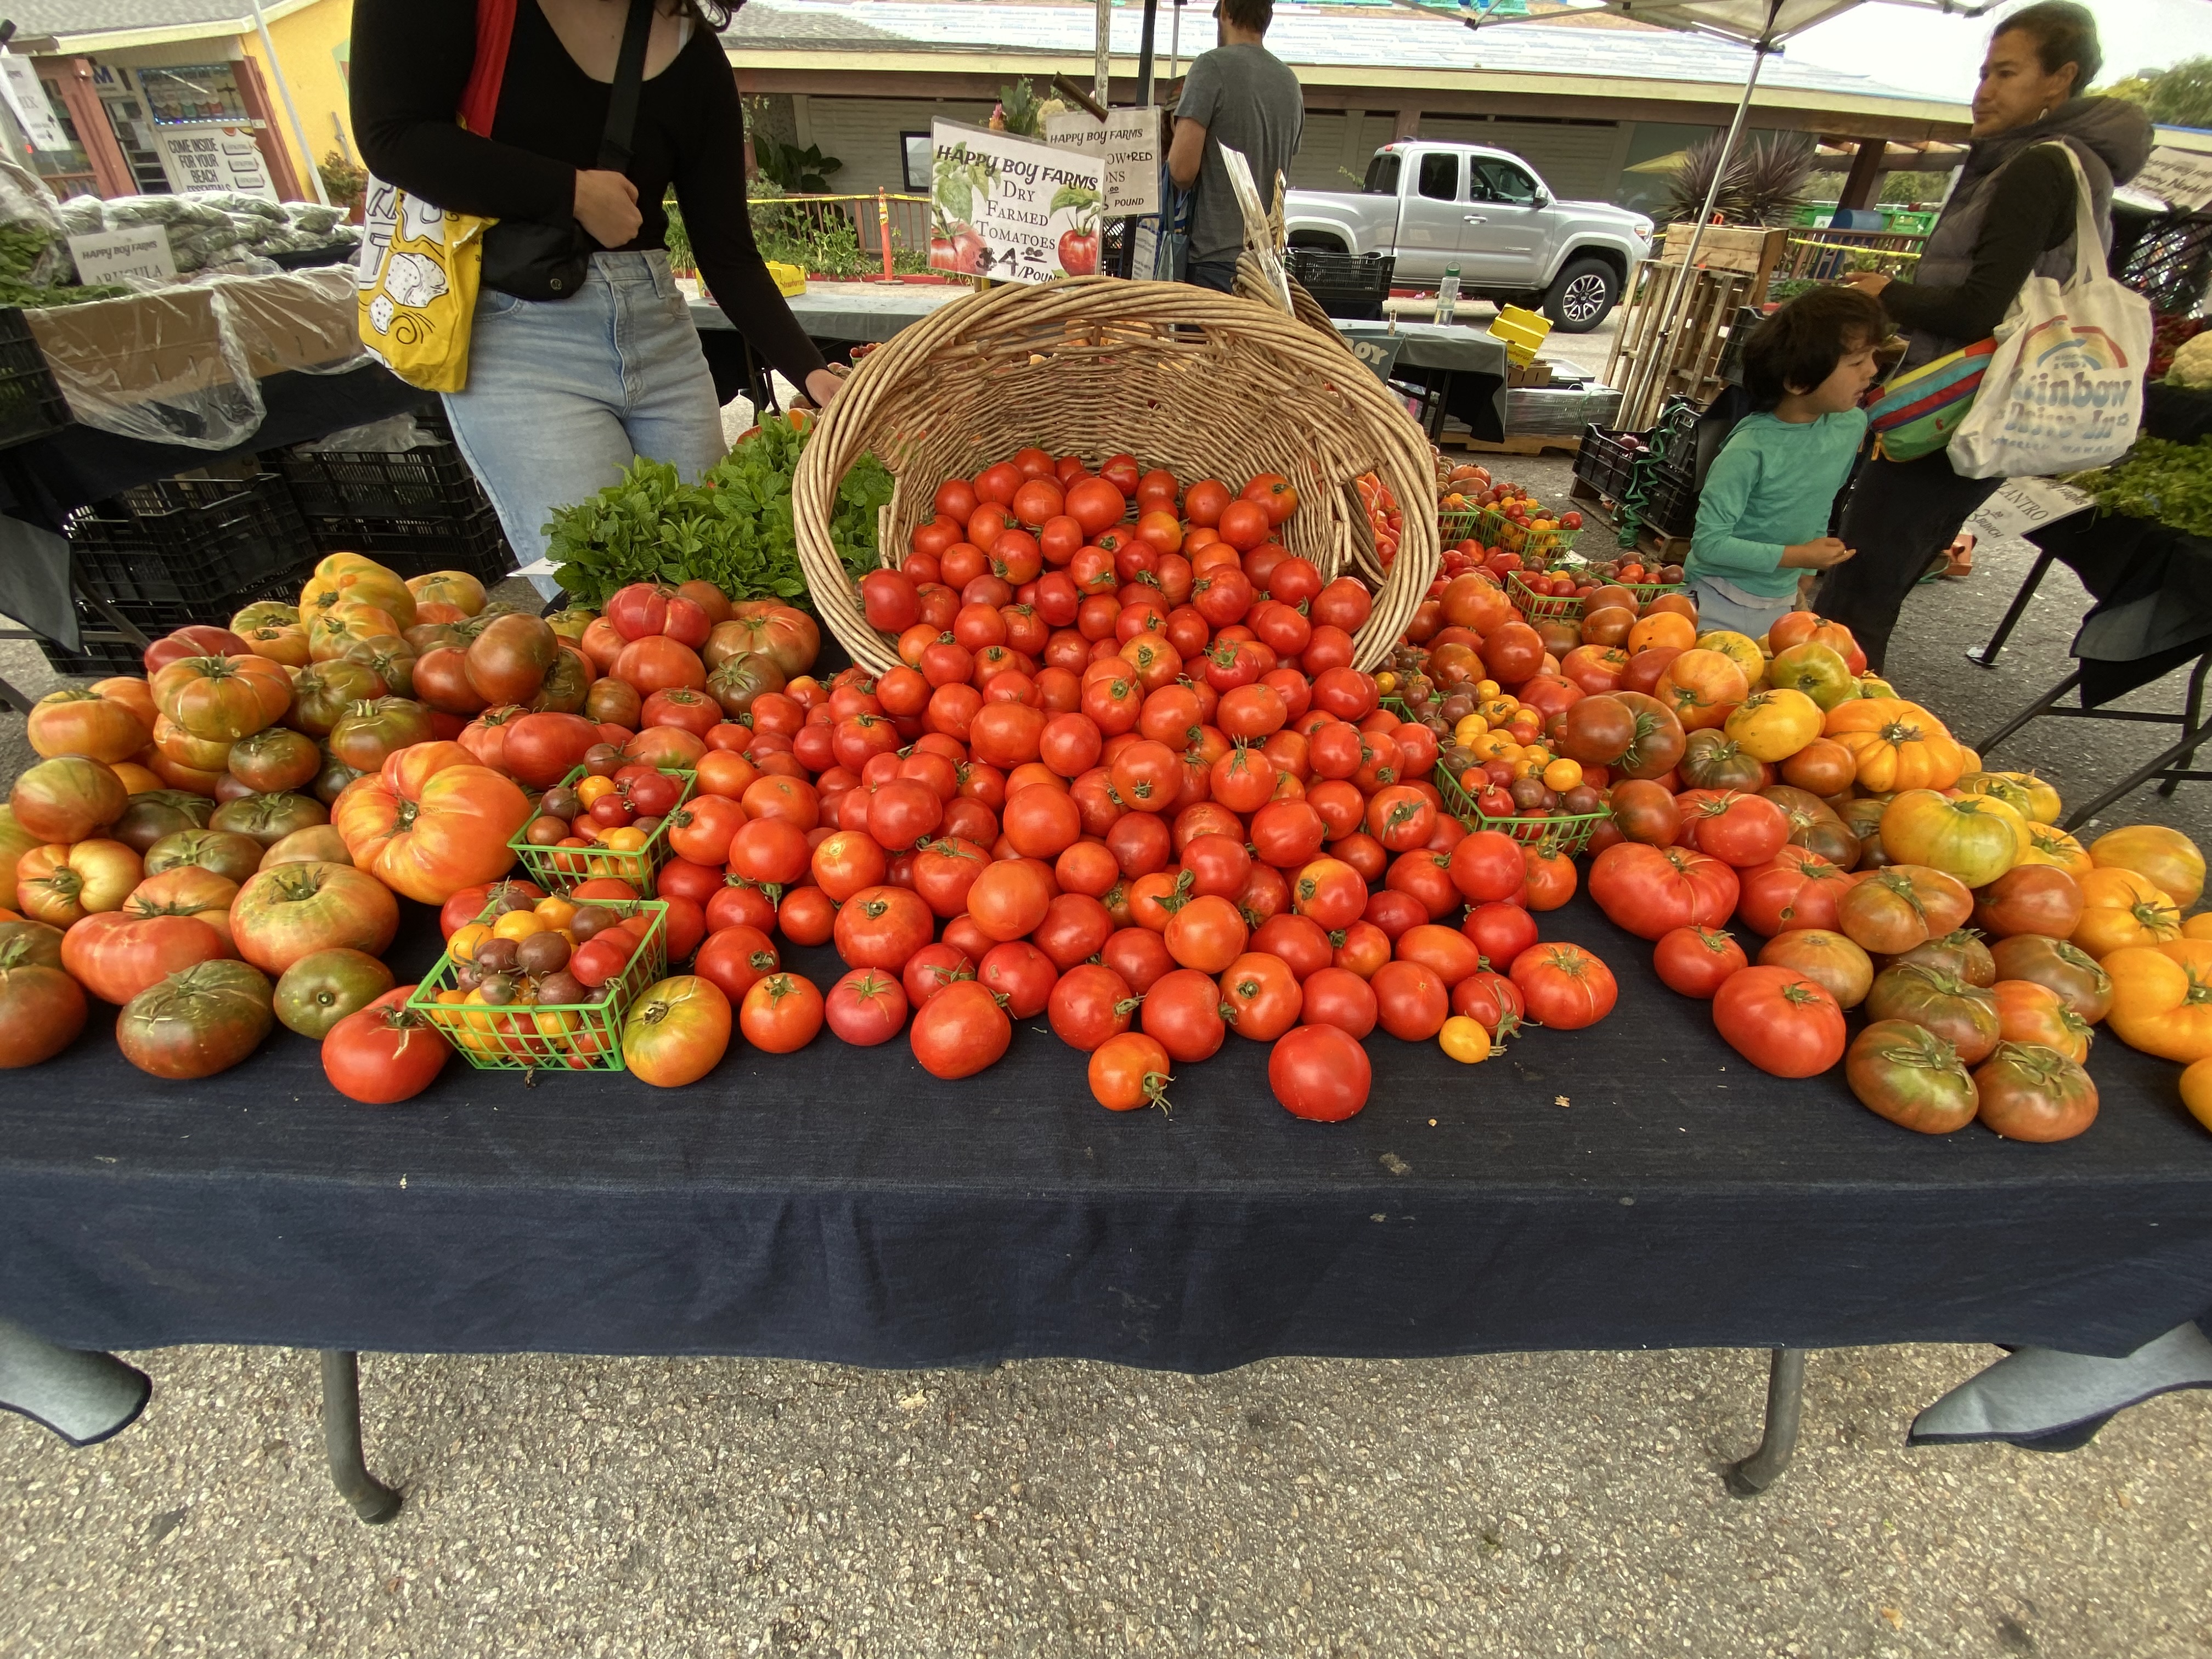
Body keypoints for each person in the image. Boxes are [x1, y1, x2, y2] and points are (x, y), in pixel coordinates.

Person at [352, 0, 843, 569]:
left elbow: (728, 252)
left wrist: (811, 373)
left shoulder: (692, 48)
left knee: (718, 572)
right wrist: (569, 193)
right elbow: (391, 133)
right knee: (597, 588)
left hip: (661, 330)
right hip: (518, 333)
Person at [1816, 0, 2151, 672]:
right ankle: (1840, 728)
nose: (1984, 91)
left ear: (2060, 80)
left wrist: (1887, 293)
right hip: (1991, 412)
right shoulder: (2079, 168)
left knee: (1859, 588)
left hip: (1956, 410)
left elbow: (1978, 309)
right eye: (1984, 73)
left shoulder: (2040, 166)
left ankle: (1837, 736)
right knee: (1883, 577)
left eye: (2006, 73)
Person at [1684, 287, 1887, 642]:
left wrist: (1807, 568)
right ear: (1798, 381)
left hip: (1783, 600)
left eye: (1873, 356)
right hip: (1716, 598)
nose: (1871, 371)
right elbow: (1710, 544)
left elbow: (1823, 498)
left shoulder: (1850, 425)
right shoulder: (1749, 449)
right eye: (1856, 362)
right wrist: (1799, 556)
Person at [1165, 0, 1304, 294]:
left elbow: (1181, 171)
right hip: (1267, 271)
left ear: (1225, 10)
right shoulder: (1291, 84)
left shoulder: (1211, 67)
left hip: (1216, 267)